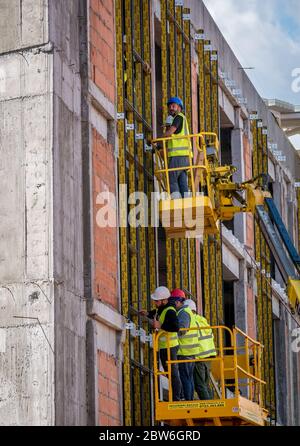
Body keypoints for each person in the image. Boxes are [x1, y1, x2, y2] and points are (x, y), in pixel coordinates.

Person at [139, 286, 182, 401]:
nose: (155, 303)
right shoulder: (162, 309)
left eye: (157, 301)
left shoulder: (170, 311)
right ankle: (177, 396)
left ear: (164, 300)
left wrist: (161, 326)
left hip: (170, 346)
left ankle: (177, 398)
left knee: (172, 373)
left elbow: (175, 327)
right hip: (164, 347)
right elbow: (156, 313)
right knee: (169, 373)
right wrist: (147, 313)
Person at [185, 299, 217, 400]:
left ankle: (209, 407)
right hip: (208, 356)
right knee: (205, 383)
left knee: (199, 384)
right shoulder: (202, 320)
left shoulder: (190, 320)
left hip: (199, 356)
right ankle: (211, 403)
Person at [170, 289, 199, 401]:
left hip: (185, 352)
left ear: (177, 302)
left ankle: (188, 400)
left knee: (185, 378)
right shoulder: (186, 312)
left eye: (173, 303)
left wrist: (170, 328)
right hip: (189, 352)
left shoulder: (183, 313)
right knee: (188, 378)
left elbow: (182, 329)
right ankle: (189, 399)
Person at [163, 97, 193, 198]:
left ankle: (176, 201)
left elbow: (169, 133)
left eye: (174, 106)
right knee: (182, 179)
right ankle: (186, 200)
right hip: (185, 157)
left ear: (179, 107)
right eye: (169, 106)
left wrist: (160, 138)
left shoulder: (179, 117)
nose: (171, 108)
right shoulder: (181, 118)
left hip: (177, 156)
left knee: (172, 179)